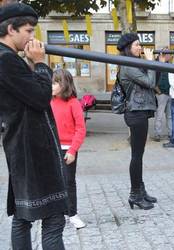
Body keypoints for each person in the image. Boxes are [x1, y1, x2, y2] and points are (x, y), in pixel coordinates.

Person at [0, 3, 67, 249]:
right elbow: (40, 98)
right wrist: (40, 64)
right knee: (53, 218)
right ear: (10, 29)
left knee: (22, 215)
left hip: (21, 146)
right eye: (28, 30)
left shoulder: (10, 60)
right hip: (32, 150)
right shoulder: (6, 60)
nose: (32, 37)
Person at [117, 33, 157, 210]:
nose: (140, 48)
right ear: (128, 48)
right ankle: (135, 194)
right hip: (135, 113)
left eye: (140, 45)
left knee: (139, 154)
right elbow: (149, 82)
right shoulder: (129, 66)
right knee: (136, 156)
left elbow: (154, 80)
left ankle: (140, 190)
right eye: (137, 45)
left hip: (140, 112)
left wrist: (157, 62)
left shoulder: (135, 64)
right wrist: (151, 63)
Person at [51, 69, 87, 229]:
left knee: (68, 182)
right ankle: (55, 213)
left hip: (67, 149)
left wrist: (72, 150)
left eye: (55, 82)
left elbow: (81, 129)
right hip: (51, 148)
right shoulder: (48, 102)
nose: (51, 85)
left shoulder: (73, 103)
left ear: (64, 84)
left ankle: (72, 214)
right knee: (53, 182)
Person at [152, 48, 172, 142]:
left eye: (170, 54)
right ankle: (157, 134)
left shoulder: (169, 65)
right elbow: (152, 77)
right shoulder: (156, 64)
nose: (170, 56)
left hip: (170, 93)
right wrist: (157, 90)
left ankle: (171, 133)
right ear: (162, 54)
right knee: (159, 115)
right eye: (167, 54)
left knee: (169, 115)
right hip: (161, 94)